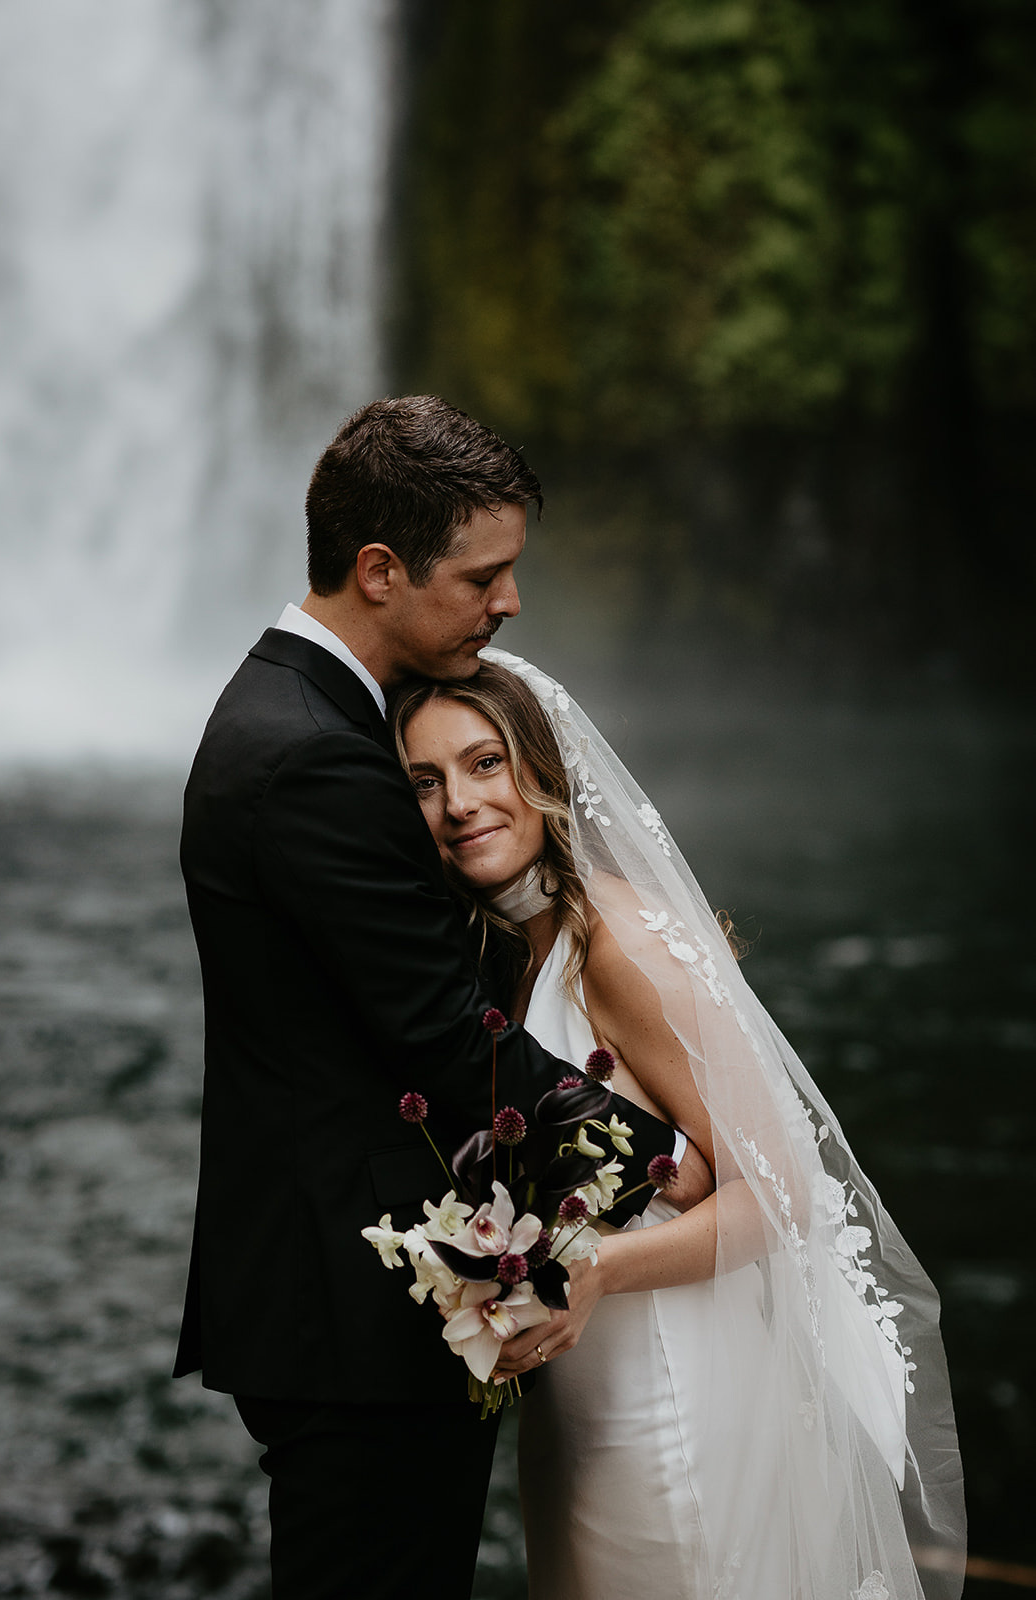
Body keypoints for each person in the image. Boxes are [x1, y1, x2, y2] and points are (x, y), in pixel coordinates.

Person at [172, 395, 693, 1600]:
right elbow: (447, 1039)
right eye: (481, 576)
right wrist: (667, 1163)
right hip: (352, 1315)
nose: (508, 601)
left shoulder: (299, 714)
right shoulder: (312, 754)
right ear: (378, 570)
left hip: (336, 1293)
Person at [392, 651, 967, 1600]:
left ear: (541, 769)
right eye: (424, 781)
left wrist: (594, 1271)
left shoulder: (614, 946)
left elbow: (777, 1197)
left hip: (666, 1398)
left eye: (484, 763)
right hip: (579, 1398)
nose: (459, 803)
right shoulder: (508, 956)